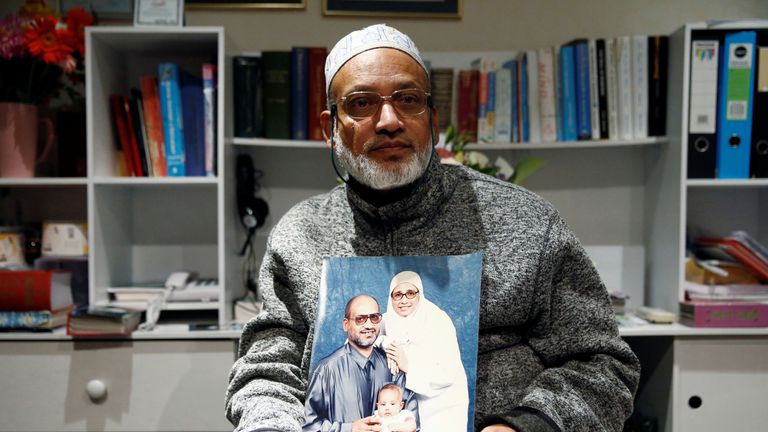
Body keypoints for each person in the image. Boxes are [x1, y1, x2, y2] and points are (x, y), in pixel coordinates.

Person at [226, 23, 640, 432]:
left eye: (407, 100)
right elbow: (268, 370)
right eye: (361, 104)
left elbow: (603, 364)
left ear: (433, 119)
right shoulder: (300, 235)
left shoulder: (526, 222)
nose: (389, 120)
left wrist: (525, 427)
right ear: (329, 129)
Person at [303, 295, 418, 432]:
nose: (369, 325)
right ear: (346, 325)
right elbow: (309, 426)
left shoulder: (392, 365)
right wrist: (349, 428)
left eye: (374, 318)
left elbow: (412, 420)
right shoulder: (325, 370)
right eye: (360, 319)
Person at [380, 271, 468, 432]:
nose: (404, 300)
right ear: (390, 298)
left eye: (410, 293)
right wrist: (387, 342)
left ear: (420, 294)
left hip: (443, 402)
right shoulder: (387, 319)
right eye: (398, 295)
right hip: (407, 405)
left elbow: (448, 374)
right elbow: (359, 337)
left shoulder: (438, 320)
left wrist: (408, 365)